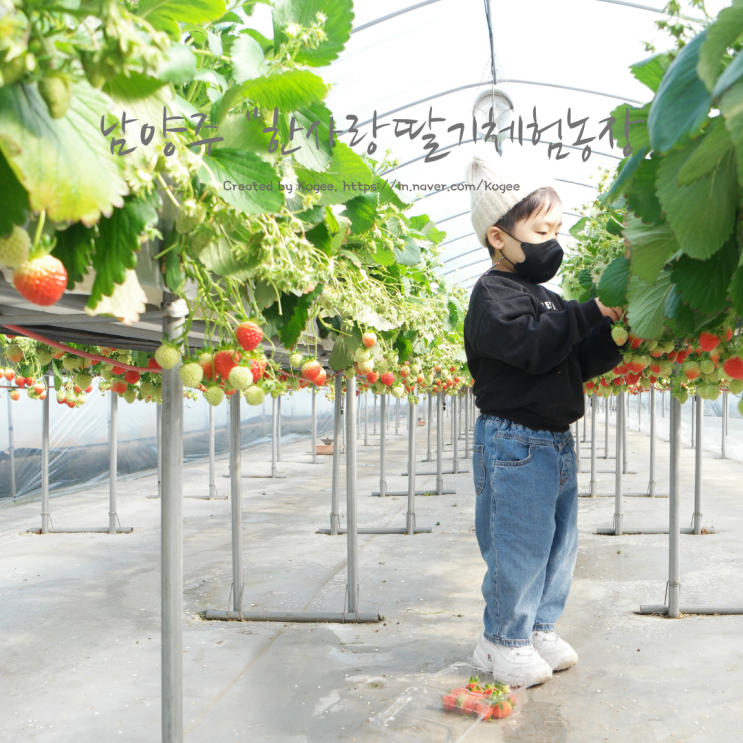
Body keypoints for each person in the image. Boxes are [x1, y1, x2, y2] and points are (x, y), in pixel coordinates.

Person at [462, 150, 625, 688]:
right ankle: (503, 640)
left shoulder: (545, 297)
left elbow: (570, 359)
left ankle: (538, 629)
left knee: (558, 544)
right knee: (519, 545)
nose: (552, 240)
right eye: (541, 228)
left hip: (553, 442)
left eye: (558, 228)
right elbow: (530, 347)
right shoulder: (492, 296)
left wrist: (611, 335)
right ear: (498, 237)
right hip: (513, 441)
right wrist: (585, 313)